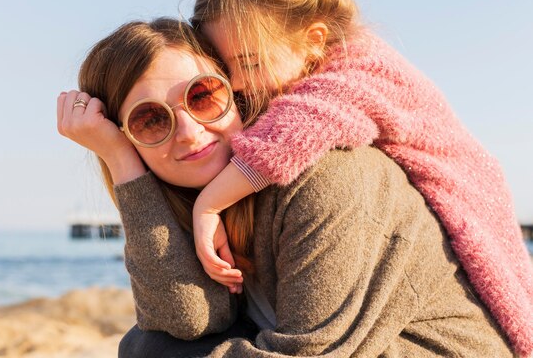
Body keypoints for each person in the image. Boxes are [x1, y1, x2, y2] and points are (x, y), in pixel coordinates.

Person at [58, 18, 514, 357]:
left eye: (202, 96)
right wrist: (122, 164)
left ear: (235, 92)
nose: (190, 131)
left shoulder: (325, 175)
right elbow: (187, 319)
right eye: (150, 119)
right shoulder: (200, 200)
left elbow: (309, 353)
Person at [188, 0, 533, 355]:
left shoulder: (361, 67)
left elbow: (298, 130)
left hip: (465, 194)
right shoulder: (303, 66)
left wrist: (208, 204)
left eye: (250, 62)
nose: (239, 84)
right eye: (227, 70)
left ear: (313, 40)